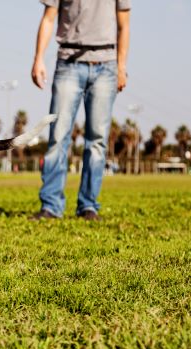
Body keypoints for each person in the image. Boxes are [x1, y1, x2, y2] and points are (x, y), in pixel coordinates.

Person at [30, 0, 131, 221]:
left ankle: (88, 206)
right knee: (58, 136)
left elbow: (124, 24)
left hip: (106, 65)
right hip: (69, 62)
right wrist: (38, 59)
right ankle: (51, 206)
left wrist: (121, 67)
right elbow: (48, 17)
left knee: (97, 140)